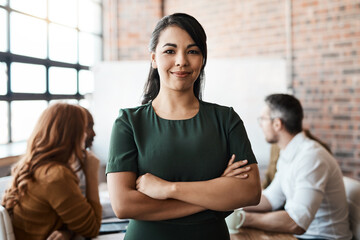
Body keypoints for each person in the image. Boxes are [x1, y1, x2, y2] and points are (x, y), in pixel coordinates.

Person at [106, 13, 261, 240]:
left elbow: (250, 191)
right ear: (153, 58)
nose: (182, 61)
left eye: (193, 51)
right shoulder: (129, 123)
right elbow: (123, 205)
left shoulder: (226, 119)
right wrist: (214, 197)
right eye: (170, 51)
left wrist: (168, 189)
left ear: (203, 59)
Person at [243, 94, 352, 240]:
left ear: (277, 124)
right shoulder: (288, 153)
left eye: (263, 119)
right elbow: (271, 199)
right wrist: (231, 205)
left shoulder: (311, 157)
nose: (260, 124)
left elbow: (296, 222)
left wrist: (243, 219)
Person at [2, 103, 102, 240]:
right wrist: (91, 173)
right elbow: (92, 228)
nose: (88, 135)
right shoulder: (56, 175)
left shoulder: (32, 165)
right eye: (84, 130)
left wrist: (67, 233)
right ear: (72, 135)